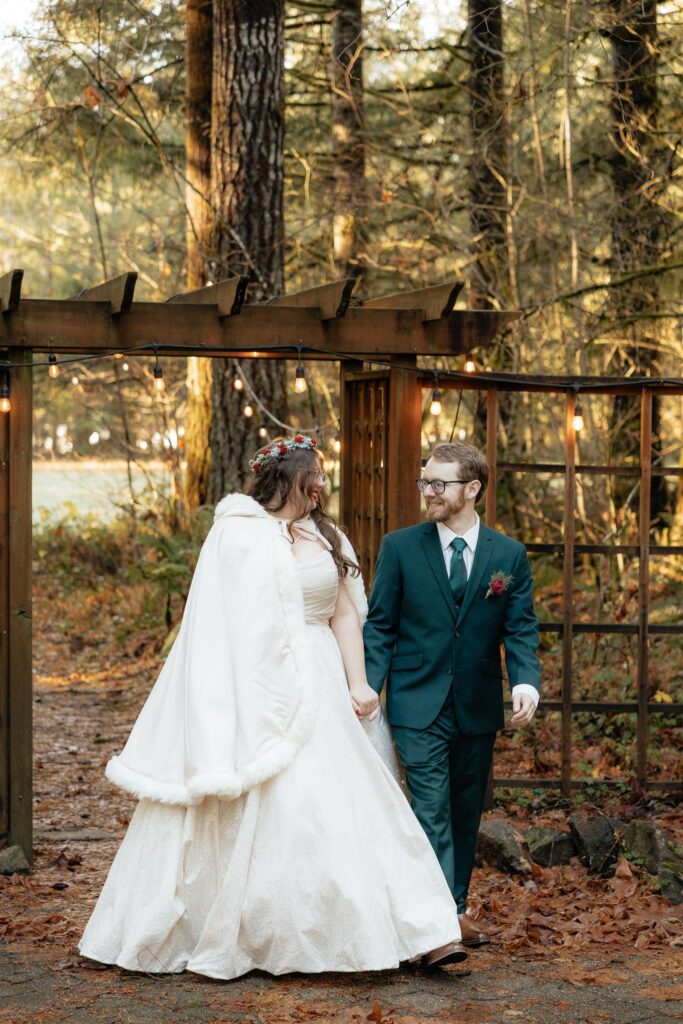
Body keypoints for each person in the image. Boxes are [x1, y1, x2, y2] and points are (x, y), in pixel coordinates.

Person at [79, 435, 466, 979]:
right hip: (254, 680)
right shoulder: (235, 536)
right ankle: (262, 931)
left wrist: (358, 682)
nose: (322, 488)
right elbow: (214, 624)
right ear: (286, 480)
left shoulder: (330, 536)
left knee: (351, 803)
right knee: (269, 805)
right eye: (314, 477)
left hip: (322, 679)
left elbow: (346, 615)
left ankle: (422, 930)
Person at [364, 442, 541, 948]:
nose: (428, 492)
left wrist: (525, 680)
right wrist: (367, 687)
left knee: (465, 812)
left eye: (438, 484)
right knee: (430, 809)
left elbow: (521, 627)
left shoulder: (508, 556)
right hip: (416, 700)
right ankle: (436, 926)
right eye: (425, 482)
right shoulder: (400, 547)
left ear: (472, 489)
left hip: (477, 703)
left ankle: (455, 907)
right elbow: (380, 625)